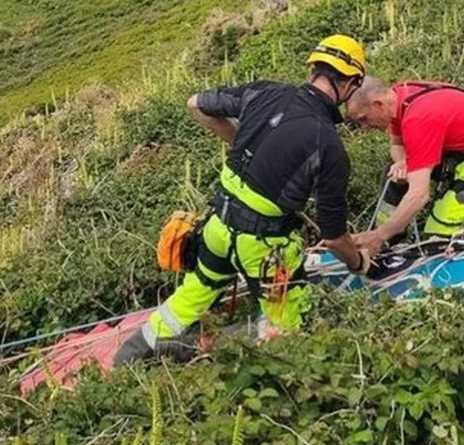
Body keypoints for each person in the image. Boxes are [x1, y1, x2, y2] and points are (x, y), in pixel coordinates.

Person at [114, 35, 371, 366]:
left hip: (217, 228)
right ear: (351, 82)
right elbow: (335, 238)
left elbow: (196, 104)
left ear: (313, 71)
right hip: (263, 246)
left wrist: (244, 144)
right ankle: (197, 350)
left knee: (197, 290)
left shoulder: (266, 91)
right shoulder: (329, 145)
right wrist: (357, 262)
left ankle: (134, 353)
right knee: (286, 334)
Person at [346, 76, 464, 254]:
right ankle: (389, 242)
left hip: (455, 153)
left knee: (438, 236)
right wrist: (403, 162)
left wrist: (379, 236)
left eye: (364, 119)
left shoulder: (418, 119)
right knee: (393, 174)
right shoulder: (397, 97)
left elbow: (419, 195)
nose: (364, 127)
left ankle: (381, 240)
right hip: (454, 149)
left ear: (378, 104)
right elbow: (397, 144)